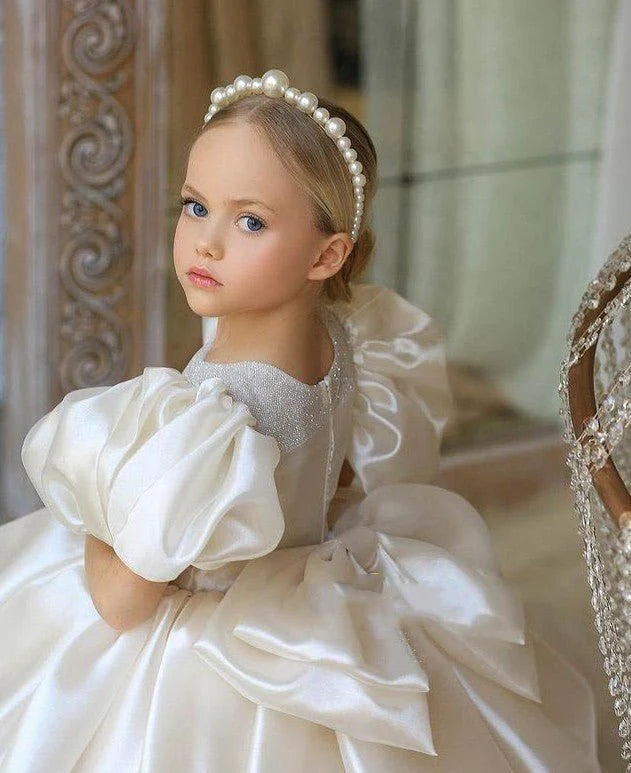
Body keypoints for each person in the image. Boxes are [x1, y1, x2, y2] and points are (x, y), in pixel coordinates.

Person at [0, 69, 600, 772]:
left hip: (214, 650)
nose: (207, 243)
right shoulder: (348, 337)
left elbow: (124, 601)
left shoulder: (221, 411)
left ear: (326, 254)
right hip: (301, 583)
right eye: (195, 207)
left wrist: (102, 518)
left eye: (249, 220)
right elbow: (340, 474)